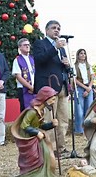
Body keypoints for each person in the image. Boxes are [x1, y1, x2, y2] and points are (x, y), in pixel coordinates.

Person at [33, 20, 70, 154]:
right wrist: (54, 47)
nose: (57, 30)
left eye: (59, 28)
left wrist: (66, 65)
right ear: (46, 30)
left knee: (63, 119)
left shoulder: (62, 48)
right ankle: (50, 148)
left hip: (62, 87)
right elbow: (40, 59)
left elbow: (61, 67)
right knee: (49, 119)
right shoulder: (40, 44)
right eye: (54, 28)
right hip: (48, 87)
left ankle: (62, 147)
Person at [11, 86, 58, 177]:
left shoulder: (41, 111)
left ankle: (45, 173)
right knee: (35, 158)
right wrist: (37, 132)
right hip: (29, 139)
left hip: (37, 138)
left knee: (46, 154)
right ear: (45, 99)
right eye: (52, 100)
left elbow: (41, 125)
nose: (53, 102)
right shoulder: (32, 112)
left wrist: (51, 125)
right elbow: (24, 125)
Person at [72, 48, 94, 135]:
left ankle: (88, 128)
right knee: (79, 111)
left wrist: (89, 87)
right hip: (79, 88)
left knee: (88, 109)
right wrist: (85, 87)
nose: (83, 55)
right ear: (78, 55)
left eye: (84, 53)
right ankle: (79, 130)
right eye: (81, 53)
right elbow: (75, 79)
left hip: (88, 87)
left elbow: (92, 77)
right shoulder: (75, 66)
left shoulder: (88, 66)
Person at [12, 38, 35, 112]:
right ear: (20, 47)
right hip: (23, 89)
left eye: (28, 45)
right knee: (25, 111)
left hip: (35, 88)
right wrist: (30, 87)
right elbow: (18, 76)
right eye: (25, 45)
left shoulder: (32, 58)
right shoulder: (17, 60)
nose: (27, 46)